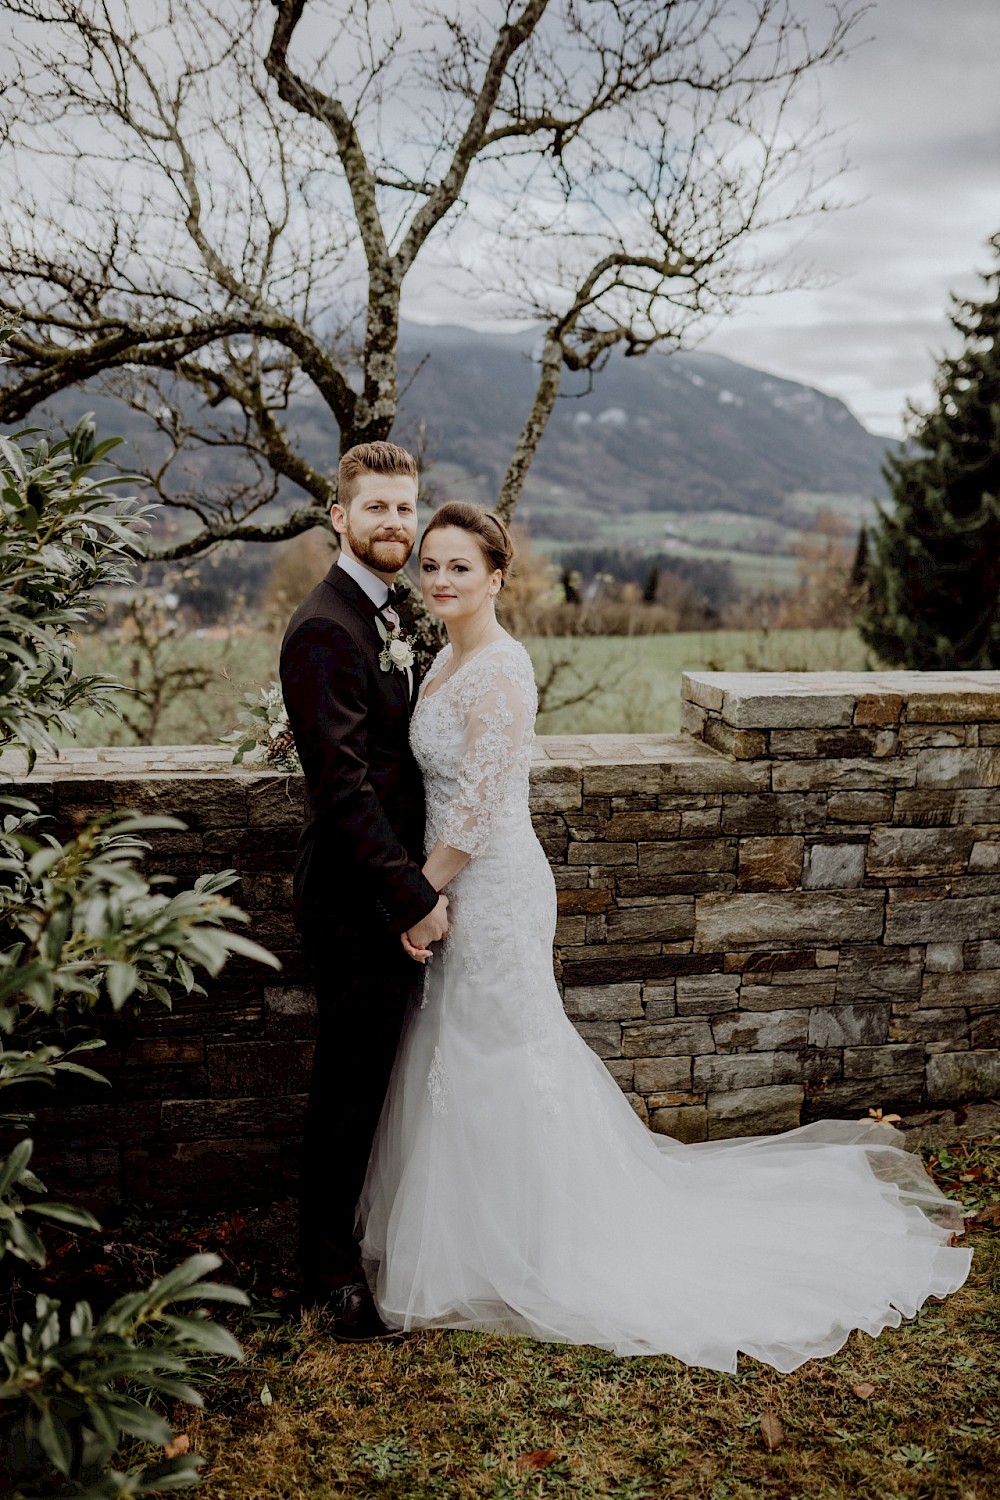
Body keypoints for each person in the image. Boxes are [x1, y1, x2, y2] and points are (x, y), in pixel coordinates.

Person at [358, 500, 973, 1371]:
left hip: (490, 885)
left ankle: (544, 1239)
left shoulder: (502, 670)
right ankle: (476, 1235)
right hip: (453, 884)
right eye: (432, 566)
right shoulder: (444, 659)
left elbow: (482, 805)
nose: (442, 580)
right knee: (459, 1045)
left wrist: (421, 892)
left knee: (507, 1046)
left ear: (499, 576)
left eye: (462, 566)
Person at [280, 440, 449, 1339]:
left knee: (373, 1076)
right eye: (376, 508)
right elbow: (343, 787)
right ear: (338, 517)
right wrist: (412, 897)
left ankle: (352, 1246)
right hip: (356, 898)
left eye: (404, 507)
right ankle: (328, 1276)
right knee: (347, 1085)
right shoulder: (324, 627)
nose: (394, 523)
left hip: (383, 890)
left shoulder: (389, 613)